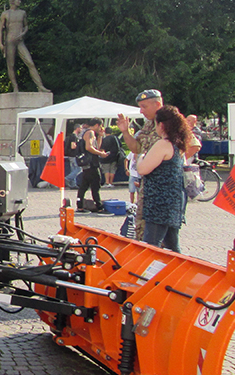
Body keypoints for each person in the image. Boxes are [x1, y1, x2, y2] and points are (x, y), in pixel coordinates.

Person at [117, 89, 199, 239]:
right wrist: (125, 132)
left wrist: (168, 164)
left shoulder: (172, 122)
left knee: (157, 237)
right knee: (145, 231)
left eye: (144, 106)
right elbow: (137, 148)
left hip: (166, 189)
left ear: (158, 104)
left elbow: (193, 145)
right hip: (149, 188)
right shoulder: (149, 125)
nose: (141, 111)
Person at [136, 105, 189, 252]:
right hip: (174, 200)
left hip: (159, 201)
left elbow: (143, 169)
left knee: (151, 244)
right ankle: (179, 272)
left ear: (162, 125)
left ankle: (147, 273)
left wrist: (141, 158)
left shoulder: (163, 144)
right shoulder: (178, 144)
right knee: (172, 245)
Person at [0, 0, 49, 93]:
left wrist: (23, 33)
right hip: (9, 41)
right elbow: (0, 29)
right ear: (13, 1)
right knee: (11, 65)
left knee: (30, 63)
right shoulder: (5, 14)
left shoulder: (22, 13)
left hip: (20, 41)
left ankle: (40, 86)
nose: (19, 1)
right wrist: (1, 44)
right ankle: (15, 87)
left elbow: (26, 26)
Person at [75, 119, 108, 213]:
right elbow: (89, 147)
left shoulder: (85, 132)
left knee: (84, 185)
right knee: (95, 184)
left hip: (87, 163)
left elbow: (96, 147)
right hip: (91, 163)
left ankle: (80, 205)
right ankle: (99, 207)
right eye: (101, 126)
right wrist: (100, 154)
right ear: (97, 125)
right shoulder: (90, 133)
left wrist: (100, 136)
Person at [64, 122, 84, 189]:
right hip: (74, 155)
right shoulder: (74, 136)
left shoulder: (69, 136)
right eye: (81, 128)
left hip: (69, 155)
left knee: (73, 169)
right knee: (79, 169)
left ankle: (73, 184)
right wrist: (79, 145)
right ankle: (67, 178)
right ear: (77, 128)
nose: (81, 130)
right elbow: (73, 146)